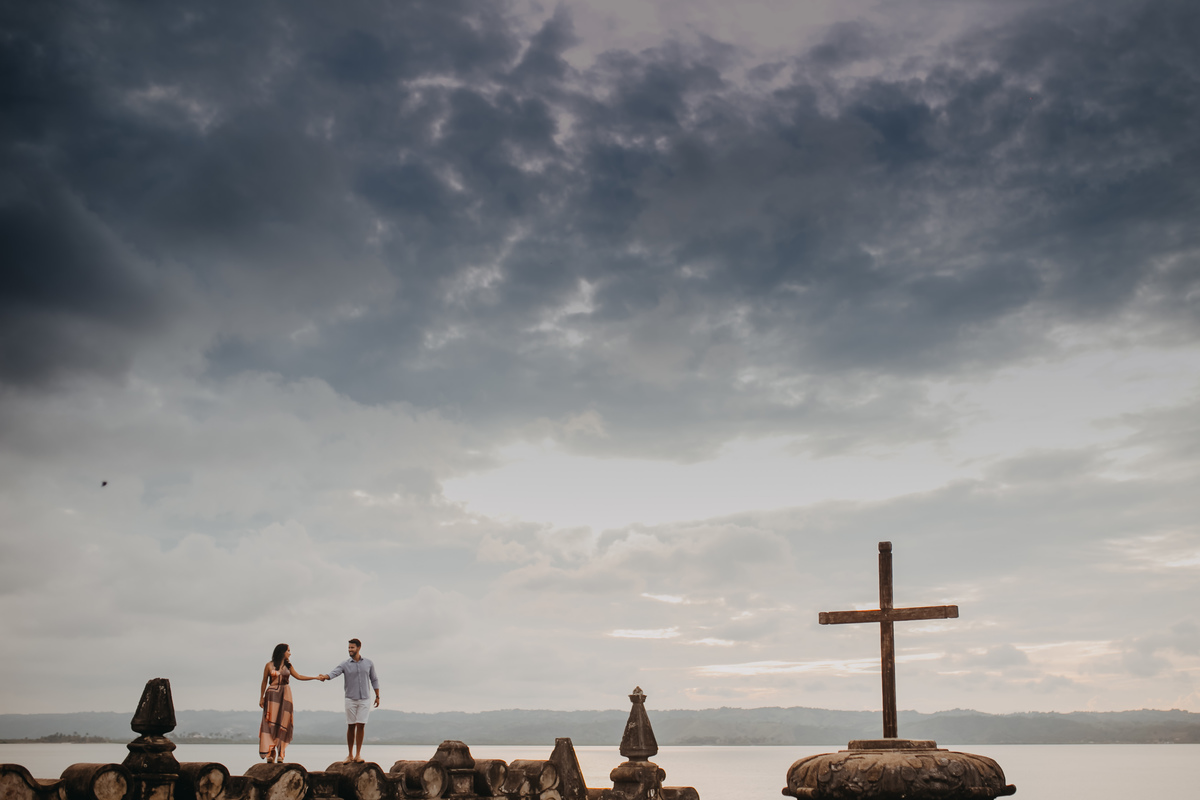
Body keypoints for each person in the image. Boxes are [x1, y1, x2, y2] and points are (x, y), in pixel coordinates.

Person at [319, 638, 380, 764]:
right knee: (351, 726)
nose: (350, 650)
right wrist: (325, 676)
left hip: (365, 699)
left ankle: (358, 754)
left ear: (358, 648)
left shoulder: (368, 663)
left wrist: (377, 696)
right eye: (349, 648)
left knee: (361, 725)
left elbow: (374, 679)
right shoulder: (345, 664)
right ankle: (350, 754)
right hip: (350, 699)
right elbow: (334, 672)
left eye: (352, 647)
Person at [258, 643, 321, 763]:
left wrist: (315, 678)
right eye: (288, 651)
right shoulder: (269, 665)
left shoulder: (288, 665)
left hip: (285, 695)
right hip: (272, 696)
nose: (290, 653)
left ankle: (281, 753)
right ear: (282, 652)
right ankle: (271, 752)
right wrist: (261, 698)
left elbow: (299, 676)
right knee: (270, 722)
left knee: (284, 722)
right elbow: (264, 681)